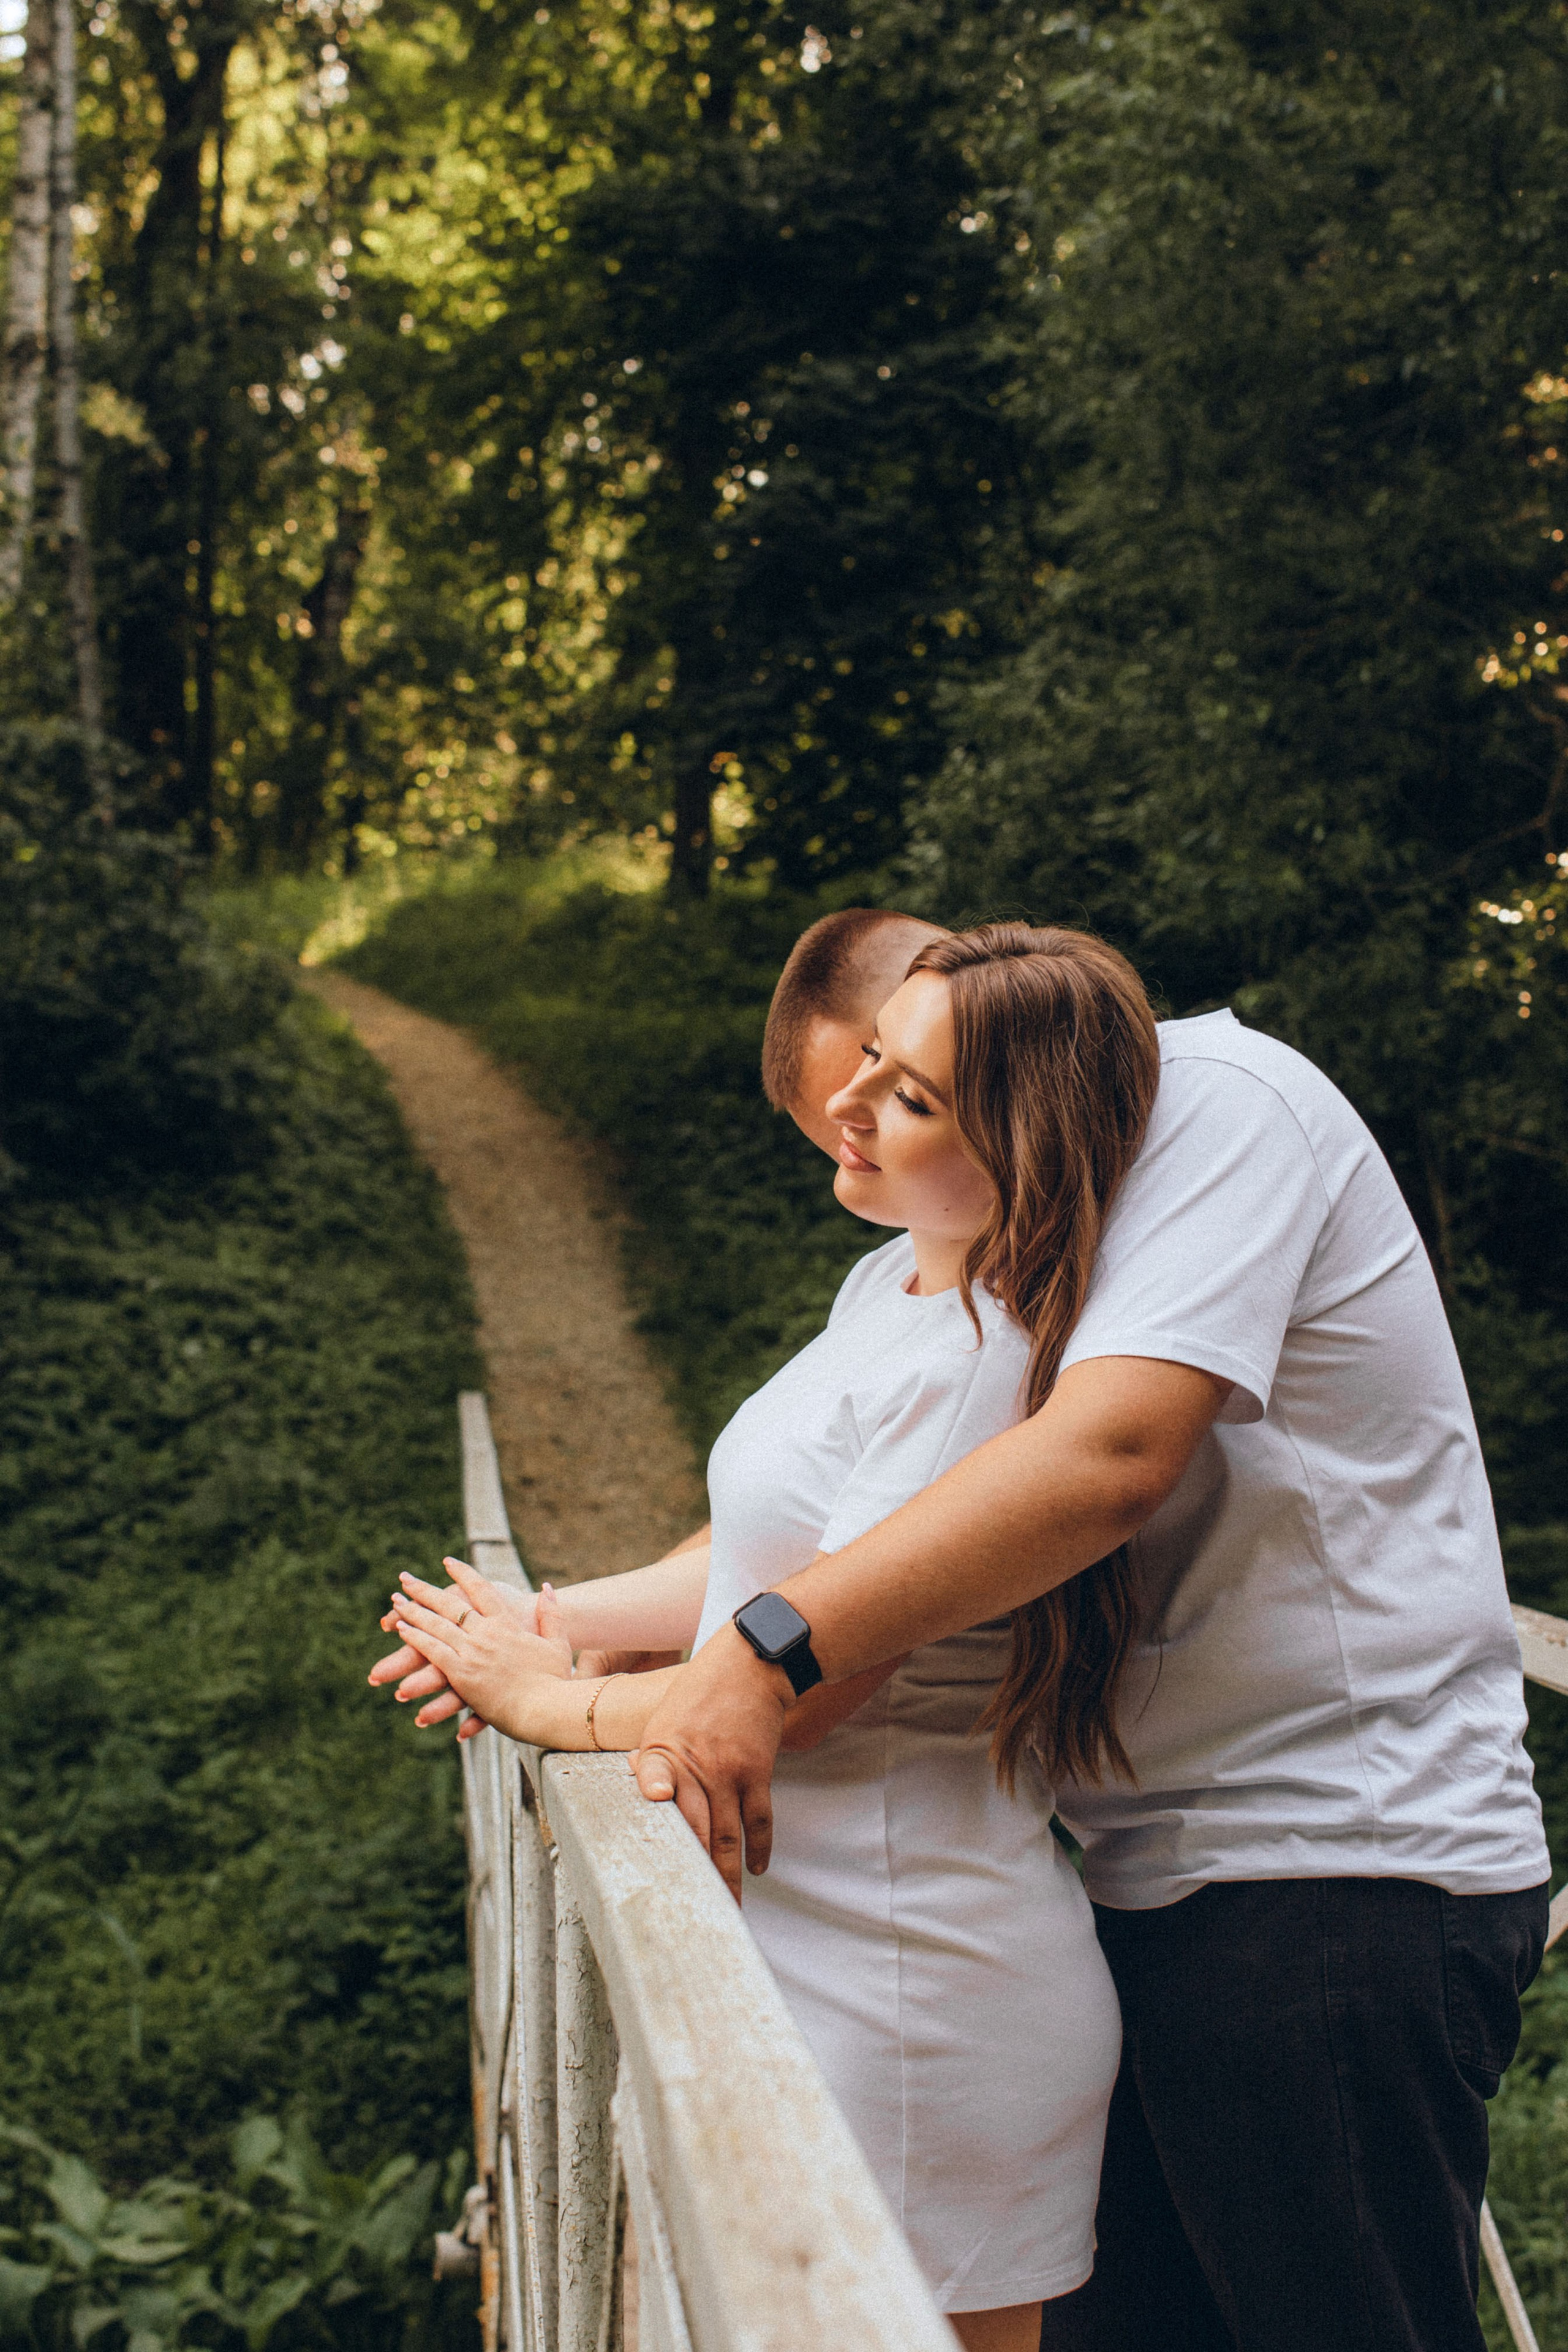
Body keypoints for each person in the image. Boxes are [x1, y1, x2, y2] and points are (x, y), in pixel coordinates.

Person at [601, 931, 1549, 2352]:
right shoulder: (1017, 1223)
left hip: (1333, 1858)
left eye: (890, 1089)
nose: (857, 1139)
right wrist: (577, 1624)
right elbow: (857, 1507)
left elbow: (1107, 1456)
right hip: (1150, 1872)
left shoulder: (1217, 1105)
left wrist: (755, 1654)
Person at [379, 923, 1167, 2349]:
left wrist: (540, 1696)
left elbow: (792, 1697)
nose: (850, 1105)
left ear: (1023, 1147)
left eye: (912, 1096)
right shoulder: (887, 1286)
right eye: (872, 1059)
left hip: (913, 1980)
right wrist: (552, 1617)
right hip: (803, 1943)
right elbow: (766, 1572)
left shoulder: (982, 1366)